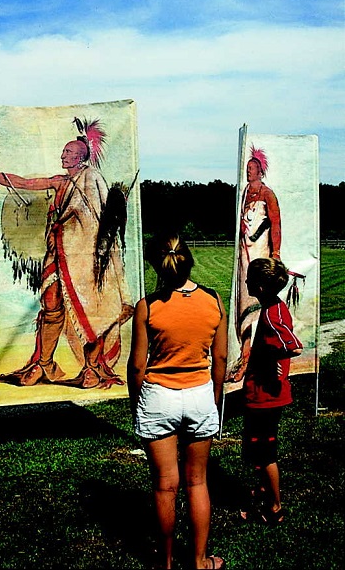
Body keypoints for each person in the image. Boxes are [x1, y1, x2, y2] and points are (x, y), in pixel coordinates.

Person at [0, 118, 133, 389]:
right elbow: (26, 183)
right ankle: (44, 364)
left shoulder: (92, 179)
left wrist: (89, 246)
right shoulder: (60, 182)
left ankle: (92, 368)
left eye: (69, 152)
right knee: (51, 306)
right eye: (63, 151)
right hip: (59, 255)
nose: (63, 155)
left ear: (81, 157)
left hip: (86, 258)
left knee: (91, 309)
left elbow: (97, 218)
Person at [127, 234, 227, 570]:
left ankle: (165, 563)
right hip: (199, 394)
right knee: (197, 481)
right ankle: (199, 562)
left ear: (157, 265)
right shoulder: (214, 301)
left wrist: (136, 403)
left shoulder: (149, 306)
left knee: (164, 486)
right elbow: (222, 359)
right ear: (188, 261)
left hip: (159, 397)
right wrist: (212, 398)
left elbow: (138, 365)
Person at [239, 258, 303, 526]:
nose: (245, 283)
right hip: (261, 394)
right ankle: (265, 491)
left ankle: (274, 508)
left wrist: (271, 364)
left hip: (267, 397)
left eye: (249, 281)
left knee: (264, 452)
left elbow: (293, 345)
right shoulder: (271, 308)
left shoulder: (274, 314)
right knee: (254, 448)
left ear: (261, 287)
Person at [231, 145, 281, 382]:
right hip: (244, 253)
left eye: (252, 169)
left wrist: (276, 252)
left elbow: (275, 223)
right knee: (244, 298)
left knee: (259, 300)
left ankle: (257, 355)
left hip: (261, 251)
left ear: (260, 171)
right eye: (248, 169)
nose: (249, 172)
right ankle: (245, 352)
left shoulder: (267, 193)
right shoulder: (244, 193)